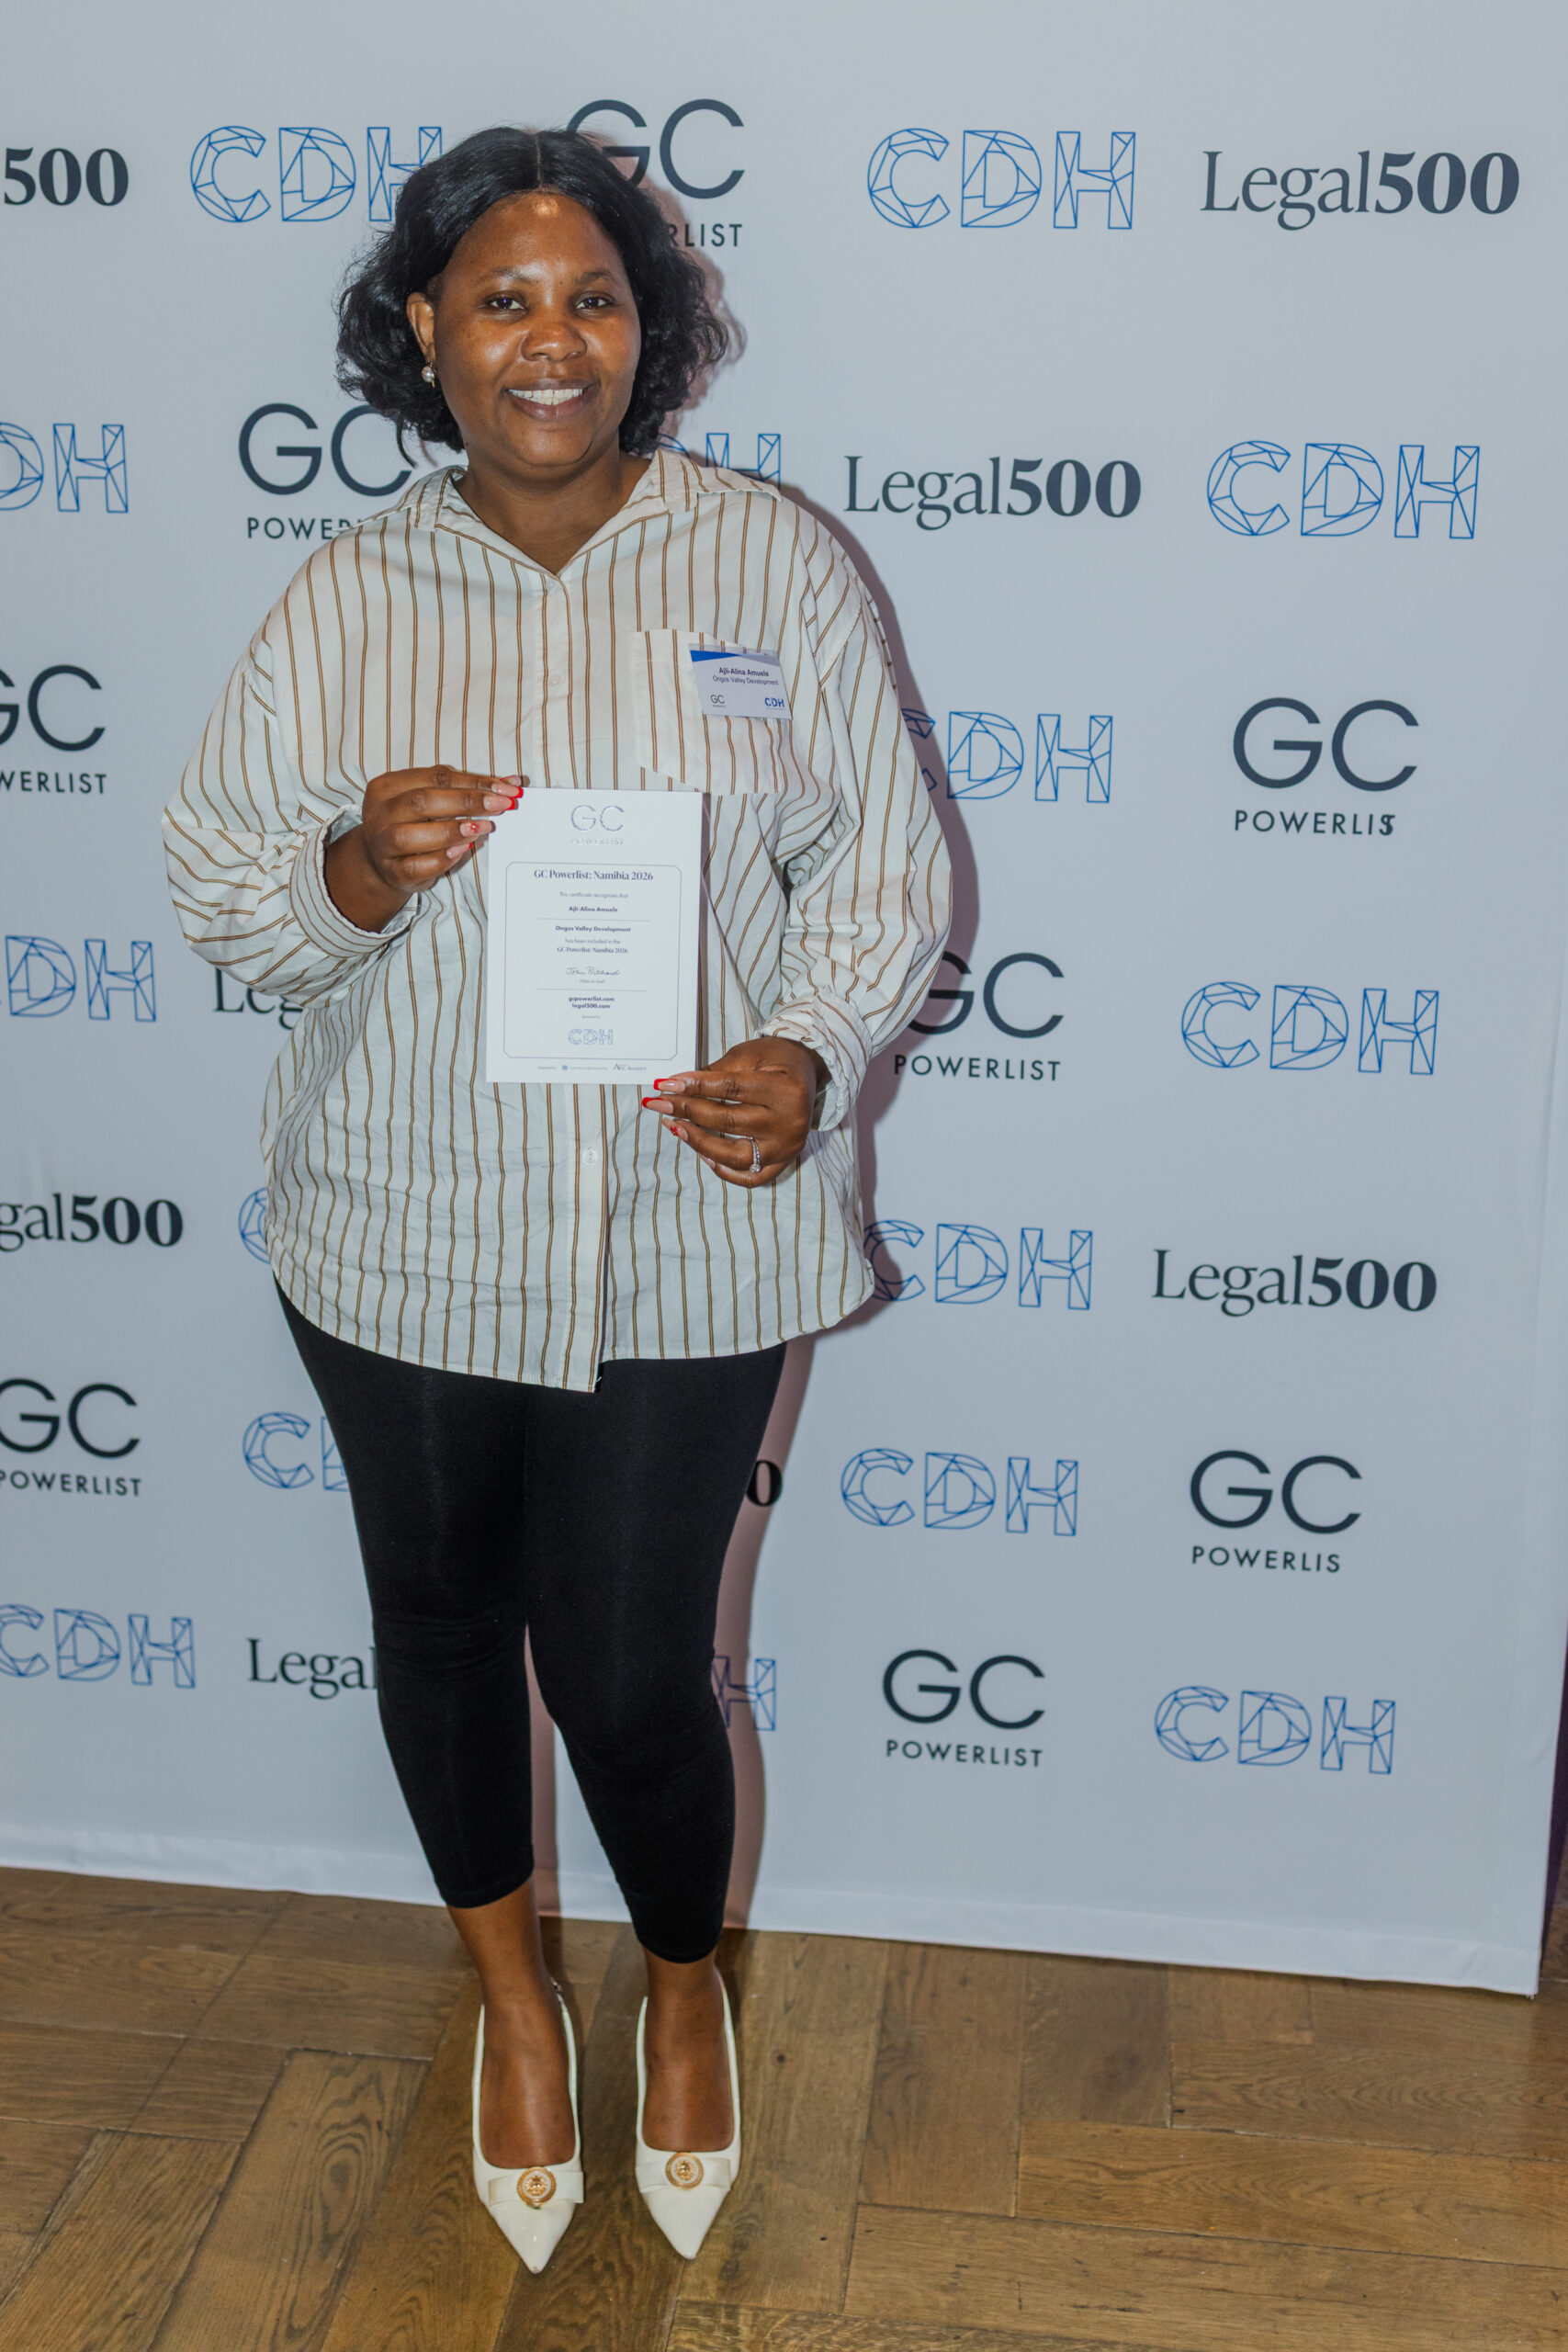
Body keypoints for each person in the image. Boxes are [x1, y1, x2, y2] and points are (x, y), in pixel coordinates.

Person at [164, 125, 950, 2272]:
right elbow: (224, 889)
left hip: (688, 1231)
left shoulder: (768, 563)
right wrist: (354, 864)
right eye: (502, 298)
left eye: (590, 297)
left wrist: (810, 1048)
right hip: (400, 1222)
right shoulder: (347, 595)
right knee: (438, 1627)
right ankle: (512, 2001)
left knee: (624, 1671)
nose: (549, 338)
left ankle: (680, 1987)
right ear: (424, 329)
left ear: (643, 329)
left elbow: (877, 868)